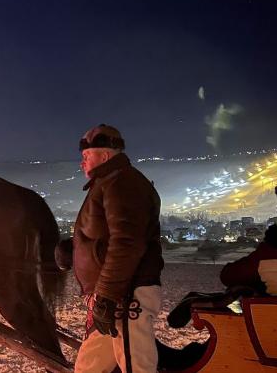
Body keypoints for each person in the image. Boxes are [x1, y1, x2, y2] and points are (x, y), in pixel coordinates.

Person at [66, 124, 164, 373]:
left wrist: (108, 295)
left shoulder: (122, 182)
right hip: (110, 295)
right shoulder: (111, 182)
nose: (82, 162)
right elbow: (107, 236)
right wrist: (75, 249)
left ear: (105, 155)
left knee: (136, 366)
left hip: (126, 294)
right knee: (89, 367)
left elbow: (127, 242)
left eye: (86, 156)